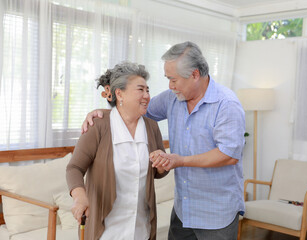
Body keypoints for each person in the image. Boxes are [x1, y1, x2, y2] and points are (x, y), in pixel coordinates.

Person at [82, 42, 246, 240]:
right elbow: (135, 109)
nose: (170, 86)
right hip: (183, 210)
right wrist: (103, 114)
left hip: (216, 213)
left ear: (194, 75)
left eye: (173, 79)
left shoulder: (226, 104)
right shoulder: (172, 98)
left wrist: (180, 161)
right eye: (168, 79)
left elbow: (228, 155)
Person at [66, 61, 168, 240]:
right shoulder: (98, 125)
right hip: (106, 230)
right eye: (140, 90)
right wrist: (79, 196)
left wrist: (162, 164)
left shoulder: (151, 127)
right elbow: (74, 168)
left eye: (148, 90)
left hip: (141, 227)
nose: (147, 96)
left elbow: (159, 172)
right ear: (119, 94)